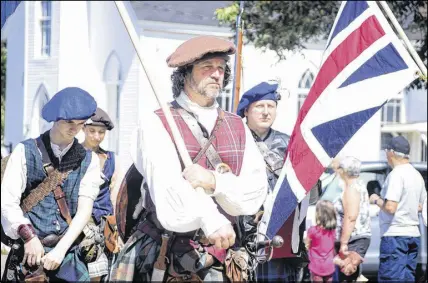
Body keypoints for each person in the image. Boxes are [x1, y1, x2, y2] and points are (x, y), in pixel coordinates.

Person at [111, 35, 267, 282]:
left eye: (220, 68)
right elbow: (169, 192)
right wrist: (212, 220)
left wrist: (214, 181)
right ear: (184, 73)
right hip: (164, 255)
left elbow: (255, 191)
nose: (216, 74)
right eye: (207, 67)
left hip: (222, 257)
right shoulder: (156, 123)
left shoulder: (238, 125)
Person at [1, 87, 102, 282]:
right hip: (27, 252)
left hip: (68, 252)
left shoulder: (90, 160)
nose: (75, 129)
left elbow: (83, 212)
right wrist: (29, 237)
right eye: (69, 122)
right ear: (56, 118)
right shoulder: (25, 151)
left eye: (80, 124)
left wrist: (60, 250)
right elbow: (7, 202)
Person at [236, 81, 309, 282]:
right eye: (260, 106)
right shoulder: (234, 143)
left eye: (271, 106)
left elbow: (308, 195)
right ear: (246, 111)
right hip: (241, 241)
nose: (266, 112)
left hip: (278, 239)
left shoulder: (290, 145)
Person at [369, 136, 426, 282]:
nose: (386, 154)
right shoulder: (416, 175)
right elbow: (421, 206)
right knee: (408, 278)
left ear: (392, 152)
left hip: (395, 235)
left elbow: (390, 207)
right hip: (413, 234)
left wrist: (376, 199)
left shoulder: (396, 175)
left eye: (387, 151)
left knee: (391, 278)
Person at [82, 107, 122, 281]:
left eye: (101, 132)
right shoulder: (73, 155)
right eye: (92, 131)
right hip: (80, 225)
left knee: (103, 274)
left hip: (104, 225)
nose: (96, 136)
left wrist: (116, 229)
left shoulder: (112, 158)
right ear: (83, 129)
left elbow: (115, 196)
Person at [333, 156, 371, 282]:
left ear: (344, 171)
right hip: (356, 238)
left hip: (353, 239)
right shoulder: (359, 185)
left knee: (347, 276)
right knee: (349, 277)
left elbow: (350, 217)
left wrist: (343, 243)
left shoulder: (351, 189)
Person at [306, 200, 337, 283]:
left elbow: (307, 245)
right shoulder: (333, 231)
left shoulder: (312, 231)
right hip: (329, 265)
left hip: (316, 265)